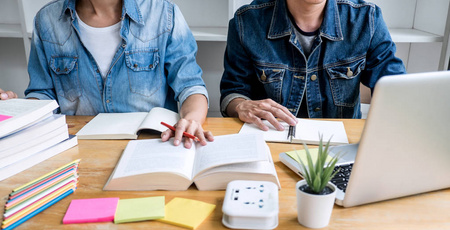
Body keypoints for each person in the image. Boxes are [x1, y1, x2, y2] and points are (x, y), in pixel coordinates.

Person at [0, 0, 213, 148]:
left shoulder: (164, 14)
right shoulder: (46, 20)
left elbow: (190, 86)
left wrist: (192, 119)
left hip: (152, 143)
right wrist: (15, 110)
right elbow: (43, 94)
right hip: (78, 147)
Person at [220, 0, 406, 131]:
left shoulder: (366, 18)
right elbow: (233, 91)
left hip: (340, 146)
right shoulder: (246, 22)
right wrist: (241, 105)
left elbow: (395, 88)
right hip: (270, 139)